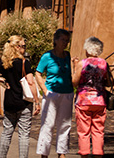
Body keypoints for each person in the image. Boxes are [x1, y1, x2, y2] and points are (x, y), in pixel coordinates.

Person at [0, 35, 40, 158]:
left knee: (7, 132)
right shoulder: (25, 63)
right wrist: (37, 101)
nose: (25, 49)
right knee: (24, 134)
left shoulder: (5, 63)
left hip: (9, 102)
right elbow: (31, 82)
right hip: (23, 102)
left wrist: (1, 80)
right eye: (24, 46)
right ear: (17, 47)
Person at [35, 28, 74, 158]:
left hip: (67, 93)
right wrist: (45, 90)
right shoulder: (47, 56)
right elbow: (38, 73)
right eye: (63, 40)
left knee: (65, 125)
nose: (65, 43)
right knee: (48, 124)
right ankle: (44, 153)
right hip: (52, 93)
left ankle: (61, 153)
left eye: (67, 40)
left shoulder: (67, 55)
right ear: (56, 40)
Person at [72, 36, 113, 157]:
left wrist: (74, 67)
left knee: (83, 131)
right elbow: (110, 82)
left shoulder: (82, 64)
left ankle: (84, 154)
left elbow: (74, 82)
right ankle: (98, 153)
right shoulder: (104, 64)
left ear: (87, 49)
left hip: (84, 101)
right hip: (99, 101)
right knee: (98, 130)